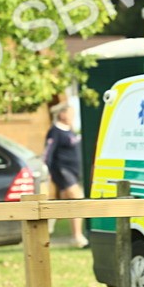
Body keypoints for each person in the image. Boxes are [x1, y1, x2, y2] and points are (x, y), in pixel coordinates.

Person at [45, 102, 89, 248]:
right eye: (70, 114)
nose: (72, 117)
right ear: (62, 114)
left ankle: (47, 227)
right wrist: (49, 172)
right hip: (63, 171)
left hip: (73, 172)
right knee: (78, 199)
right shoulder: (55, 131)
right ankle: (78, 236)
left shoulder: (70, 130)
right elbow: (48, 153)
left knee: (63, 205)